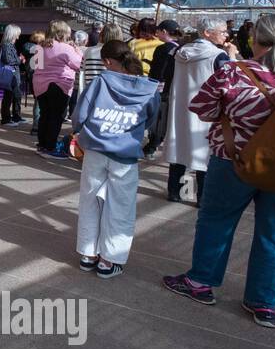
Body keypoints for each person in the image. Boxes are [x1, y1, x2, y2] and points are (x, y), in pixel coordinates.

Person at [162, 14, 275, 329]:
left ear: (252, 40)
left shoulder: (233, 72)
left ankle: (201, 282)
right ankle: (263, 303)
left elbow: (202, 108)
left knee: (217, 221)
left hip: (235, 160)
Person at [72, 40, 160, 278]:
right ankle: (109, 260)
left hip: (96, 149)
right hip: (126, 153)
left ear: (107, 62)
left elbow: (80, 113)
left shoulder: (100, 82)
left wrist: (77, 131)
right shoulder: (148, 88)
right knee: (120, 207)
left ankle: (88, 254)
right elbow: (151, 119)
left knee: (90, 202)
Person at [164, 18, 233, 203]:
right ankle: (202, 196)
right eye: (223, 31)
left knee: (179, 146)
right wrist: (233, 56)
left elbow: (167, 76)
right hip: (206, 109)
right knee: (204, 152)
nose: (226, 34)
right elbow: (232, 80)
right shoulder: (218, 55)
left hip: (179, 105)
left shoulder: (178, 51)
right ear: (207, 33)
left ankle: (174, 191)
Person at [32, 20, 83, 159]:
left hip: (40, 84)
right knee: (56, 117)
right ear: (63, 33)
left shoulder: (39, 47)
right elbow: (79, 64)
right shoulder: (67, 48)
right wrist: (77, 49)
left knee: (45, 115)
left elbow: (36, 66)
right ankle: (50, 147)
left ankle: (42, 145)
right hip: (60, 84)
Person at [144, 19, 182, 157]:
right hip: (177, 87)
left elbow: (157, 71)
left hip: (159, 87)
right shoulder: (182, 47)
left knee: (158, 118)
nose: (157, 34)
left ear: (164, 31)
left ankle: (152, 146)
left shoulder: (162, 48)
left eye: (158, 31)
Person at [0, 24, 25, 126]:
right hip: (10, 74)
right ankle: (6, 119)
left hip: (13, 74)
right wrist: (19, 59)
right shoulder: (7, 45)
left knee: (15, 95)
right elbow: (8, 60)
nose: (19, 35)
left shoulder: (9, 45)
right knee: (9, 96)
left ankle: (15, 117)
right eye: (18, 33)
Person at [21, 30, 44, 135]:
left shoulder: (33, 48)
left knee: (38, 102)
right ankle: (36, 126)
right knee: (39, 102)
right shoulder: (32, 47)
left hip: (35, 77)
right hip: (37, 77)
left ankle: (37, 126)